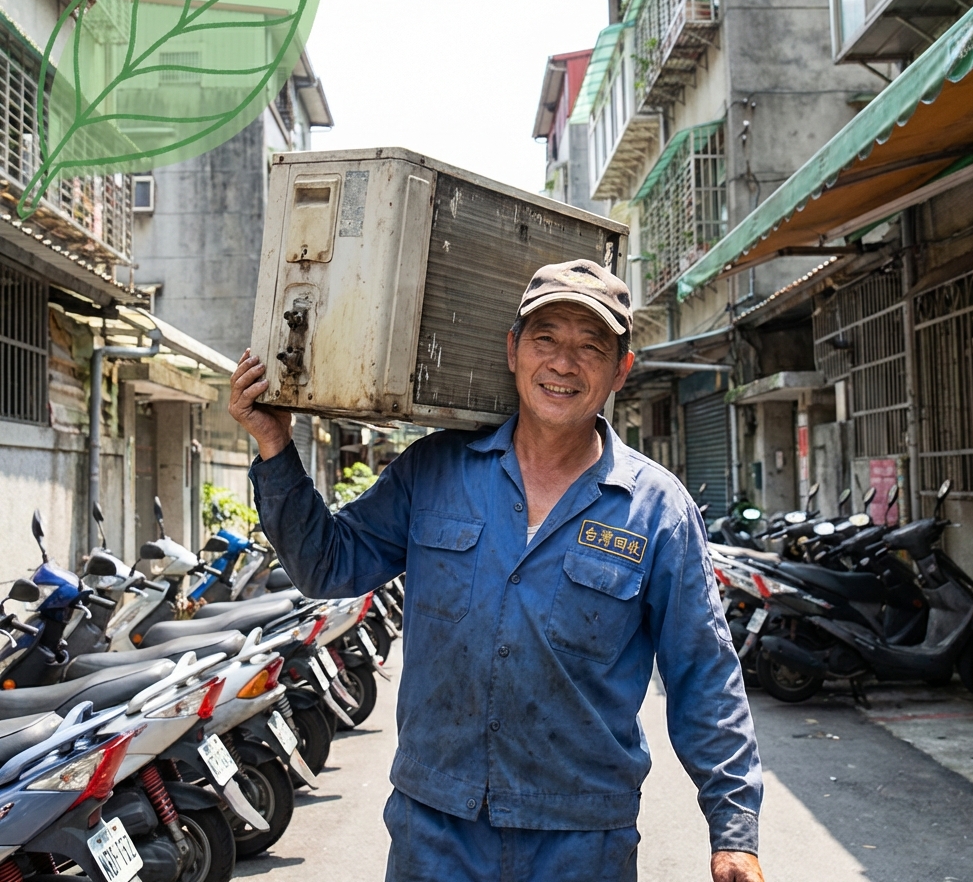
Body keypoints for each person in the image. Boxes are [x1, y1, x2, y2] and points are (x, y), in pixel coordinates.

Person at [230, 259, 764, 882]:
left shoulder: (657, 510)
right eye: (546, 339)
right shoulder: (435, 469)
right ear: (513, 350)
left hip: (581, 840)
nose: (563, 363)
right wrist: (275, 446)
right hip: (437, 831)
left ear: (621, 369)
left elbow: (704, 673)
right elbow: (328, 565)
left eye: (590, 347)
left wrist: (734, 830)